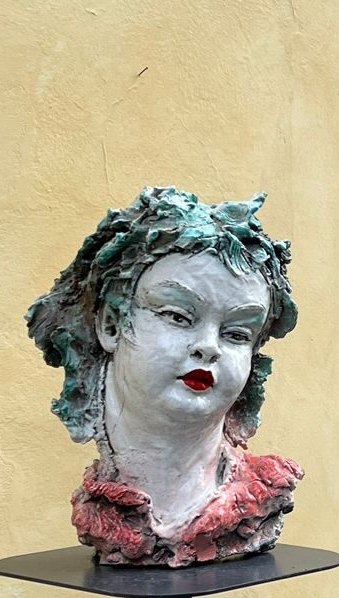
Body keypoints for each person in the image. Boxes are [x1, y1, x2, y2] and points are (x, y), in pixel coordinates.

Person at [26, 186, 302, 567]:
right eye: (177, 316)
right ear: (111, 323)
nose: (209, 347)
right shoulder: (103, 507)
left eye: (238, 333)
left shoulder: (260, 497)